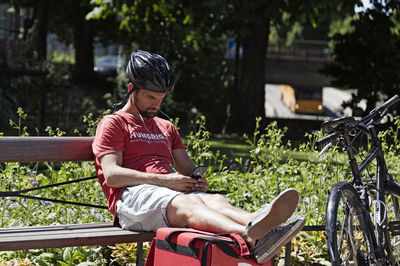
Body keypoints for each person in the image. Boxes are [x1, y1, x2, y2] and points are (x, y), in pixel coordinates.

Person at [92, 50, 305, 264]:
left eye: (161, 99)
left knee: (215, 200)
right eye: (150, 97)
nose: (156, 105)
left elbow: (186, 167)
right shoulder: (114, 123)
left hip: (167, 193)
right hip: (132, 198)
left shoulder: (166, 127)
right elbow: (112, 175)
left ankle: (264, 226)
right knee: (187, 205)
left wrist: (195, 179)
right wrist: (165, 180)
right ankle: (251, 237)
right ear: (131, 89)